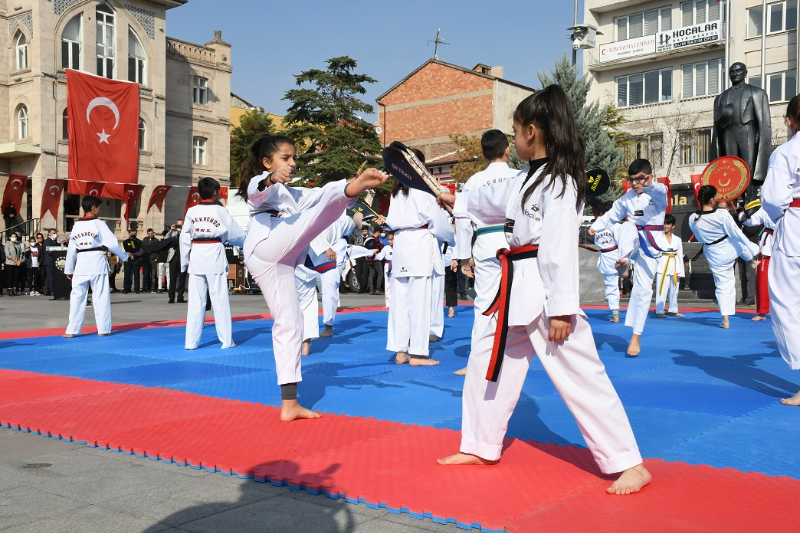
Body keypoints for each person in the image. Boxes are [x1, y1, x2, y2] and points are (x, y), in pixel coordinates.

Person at [435, 86, 650, 495]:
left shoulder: (562, 183)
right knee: (487, 361)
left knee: (582, 375)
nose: (513, 140)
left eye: (515, 132)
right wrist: (453, 198)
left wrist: (562, 308)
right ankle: (480, 444)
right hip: (515, 286)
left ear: (531, 132)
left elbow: (557, 249)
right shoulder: (524, 179)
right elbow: (483, 200)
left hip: (546, 290)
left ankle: (630, 462)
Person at [238, 134, 387, 421]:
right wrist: (270, 177)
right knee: (319, 212)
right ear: (267, 162)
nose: (292, 163)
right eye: (286, 158)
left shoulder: (293, 195)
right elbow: (255, 189)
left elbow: (322, 194)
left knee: (290, 324)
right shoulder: (262, 187)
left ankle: (289, 403)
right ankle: (352, 187)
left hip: (276, 261)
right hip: (267, 243)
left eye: (294, 158)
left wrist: (351, 187)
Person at [454, 130, 520, 375]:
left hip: (484, 243)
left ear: (483, 155)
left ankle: (478, 361)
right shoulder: (520, 176)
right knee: (519, 300)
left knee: (484, 303)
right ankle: (513, 358)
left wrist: (464, 254)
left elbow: (462, 220)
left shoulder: (473, 182)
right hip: (515, 242)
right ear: (507, 150)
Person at [589, 159, 668, 357]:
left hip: (650, 246)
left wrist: (650, 184)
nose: (635, 184)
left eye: (639, 179)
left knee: (642, 290)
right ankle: (623, 262)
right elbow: (612, 214)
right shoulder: (627, 197)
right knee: (627, 225)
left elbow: (661, 192)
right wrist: (596, 226)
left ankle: (636, 336)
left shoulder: (658, 194)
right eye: (632, 180)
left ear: (649, 176)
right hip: (631, 242)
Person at [385, 156, 454, 367]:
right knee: (420, 302)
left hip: (401, 245)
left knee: (400, 303)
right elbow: (438, 222)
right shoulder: (423, 191)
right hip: (420, 244)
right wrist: (452, 237)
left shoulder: (396, 192)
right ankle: (417, 354)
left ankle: (400, 351)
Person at [761, 95, 800, 405]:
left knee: (787, 304)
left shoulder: (787, 152)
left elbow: (774, 199)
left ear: (790, 121)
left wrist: (776, 219)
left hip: (795, 231)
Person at [181, 177, 246, 350]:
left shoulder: (191, 211)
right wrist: (247, 242)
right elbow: (236, 233)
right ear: (216, 192)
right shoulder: (220, 211)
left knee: (196, 302)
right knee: (219, 300)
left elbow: (184, 238)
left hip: (196, 256)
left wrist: (184, 262)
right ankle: (226, 341)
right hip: (214, 254)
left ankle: (190, 343)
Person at [688, 185, 759, 329]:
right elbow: (736, 233)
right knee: (740, 244)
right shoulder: (722, 214)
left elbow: (699, 235)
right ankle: (752, 261)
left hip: (714, 254)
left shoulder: (693, 218)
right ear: (713, 199)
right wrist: (753, 247)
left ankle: (725, 319)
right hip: (729, 248)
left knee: (722, 285)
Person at [63, 196, 131, 338]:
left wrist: (69, 269)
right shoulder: (99, 224)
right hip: (96, 262)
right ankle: (104, 329)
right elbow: (112, 244)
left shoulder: (76, 226)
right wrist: (125, 256)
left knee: (77, 297)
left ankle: (71, 330)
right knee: (100, 296)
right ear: (94, 208)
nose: (99, 210)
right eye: (99, 207)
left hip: (81, 263)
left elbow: (71, 249)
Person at [307, 211, 355, 337]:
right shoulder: (312, 215)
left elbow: (350, 227)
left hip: (333, 257)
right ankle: (304, 325)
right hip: (311, 255)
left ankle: (328, 326)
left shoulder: (343, 220)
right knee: (304, 291)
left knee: (329, 289)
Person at [740, 201, 775, 321]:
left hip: (788, 241)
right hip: (768, 245)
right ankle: (762, 312)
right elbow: (750, 221)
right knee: (762, 279)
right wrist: (745, 213)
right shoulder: (765, 207)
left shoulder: (792, 206)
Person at [591, 201, 621, 323]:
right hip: (606, 257)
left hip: (618, 256)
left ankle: (617, 313)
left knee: (612, 285)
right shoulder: (596, 228)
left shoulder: (616, 226)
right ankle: (615, 312)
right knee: (611, 285)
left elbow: (623, 242)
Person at [654, 214, 685, 318]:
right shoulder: (657, 238)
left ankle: (673, 309)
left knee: (674, 289)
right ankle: (659, 311)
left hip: (675, 265)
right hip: (662, 264)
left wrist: (680, 271)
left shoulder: (677, 239)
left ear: (673, 226)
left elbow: (680, 255)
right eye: (664, 223)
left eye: (668, 224)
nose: (666, 226)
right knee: (661, 289)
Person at [165, 219, 187, 303]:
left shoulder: (186, 233)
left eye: (180, 225)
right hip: (173, 257)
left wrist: (183, 232)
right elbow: (166, 239)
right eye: (177, 225)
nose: (178, 227)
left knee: (182, 278)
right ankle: (171, 296)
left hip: (182, 257)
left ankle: (180, 296)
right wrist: (171, 230)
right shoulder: (173, 234)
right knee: (172, 278)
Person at [374, 232, 393, 308]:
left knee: (398, 285)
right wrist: (373, 255)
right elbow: (380, 256)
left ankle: (397, 302)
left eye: (391, 239)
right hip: (388, 266)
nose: (389, 241)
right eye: (388, 240)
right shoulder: (386, 248)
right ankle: (388, 303)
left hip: (397, 266)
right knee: (388, 285)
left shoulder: (399, 247)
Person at [122, 228, 143, 293]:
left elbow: (141, 250)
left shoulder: (139, 242)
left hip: (136, 259)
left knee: (136, 275)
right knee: (127, 274)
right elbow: (123, 250)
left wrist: (134, 255)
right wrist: (127, 254)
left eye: (134, 232)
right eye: (131, 233)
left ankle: (136, 289)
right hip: (128, 260)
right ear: (129, 234)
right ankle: (126, 288)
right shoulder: (125, 242)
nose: (133, 234)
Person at [142, 228, 159, 293]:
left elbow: (158, 249)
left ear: (153, 233)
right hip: (146, 259)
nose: (150, 235)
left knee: (153, 274)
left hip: (153, 258)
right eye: (149, 233)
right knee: (146, 274)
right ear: (147, 233)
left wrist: (157, 257)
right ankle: (146, 287)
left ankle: (153, 287)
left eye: (151, 233)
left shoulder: (156, 240)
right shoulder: (145, 239)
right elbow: (143, 249)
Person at [42, 229, 58, 296]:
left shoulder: (53, 241)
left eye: (55, 233)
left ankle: (47, 290)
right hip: (49, 261)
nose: (55, 234)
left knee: (49, 276)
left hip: (51, 261)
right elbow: (49, 250)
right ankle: (52, 290)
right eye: (54, 233)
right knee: (50, 276)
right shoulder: (48, 241)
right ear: (49, 234)